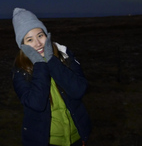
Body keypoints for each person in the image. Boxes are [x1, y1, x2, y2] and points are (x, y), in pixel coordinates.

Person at [12, 8, 92, 146]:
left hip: (77, 138)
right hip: (47, 141)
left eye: (40, 35)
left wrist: (52, 61)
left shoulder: (64, 56)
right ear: (22, 46)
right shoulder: (21, 70)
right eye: (29, 39)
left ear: (46, 35)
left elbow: (79, 90)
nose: (38, 43)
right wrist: (40, 65)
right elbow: (36, 104)